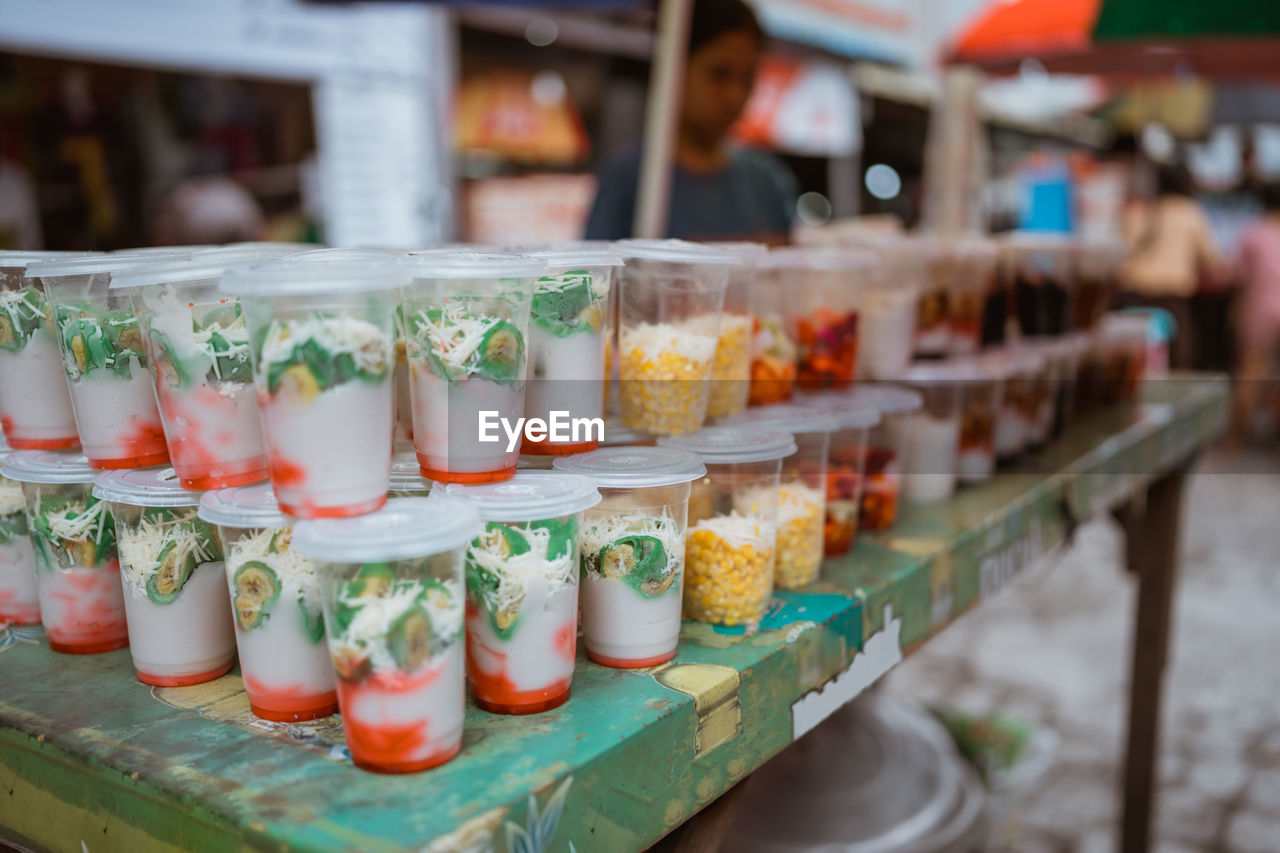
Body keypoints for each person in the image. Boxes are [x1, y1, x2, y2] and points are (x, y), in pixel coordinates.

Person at [584, 0, 797, 243]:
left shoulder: (767, 182)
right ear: (675, 68)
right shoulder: (629, 178)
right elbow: (597, 276)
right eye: (719, 73)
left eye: (747, 77)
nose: (735, 95)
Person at [1118, 163, 1225, 369]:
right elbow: (1213, 262)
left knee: (1131, 366)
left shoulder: (1139, 210)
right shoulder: (1190, 213)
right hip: (1172, 302)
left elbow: (1120, 252)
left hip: (1133, 299)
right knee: (1179, 364)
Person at [1232, 181, 1280, 444]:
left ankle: (1235, 441)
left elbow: (1237, 276)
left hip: (1261, 309)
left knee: (1250, 373)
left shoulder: (1252, 233)